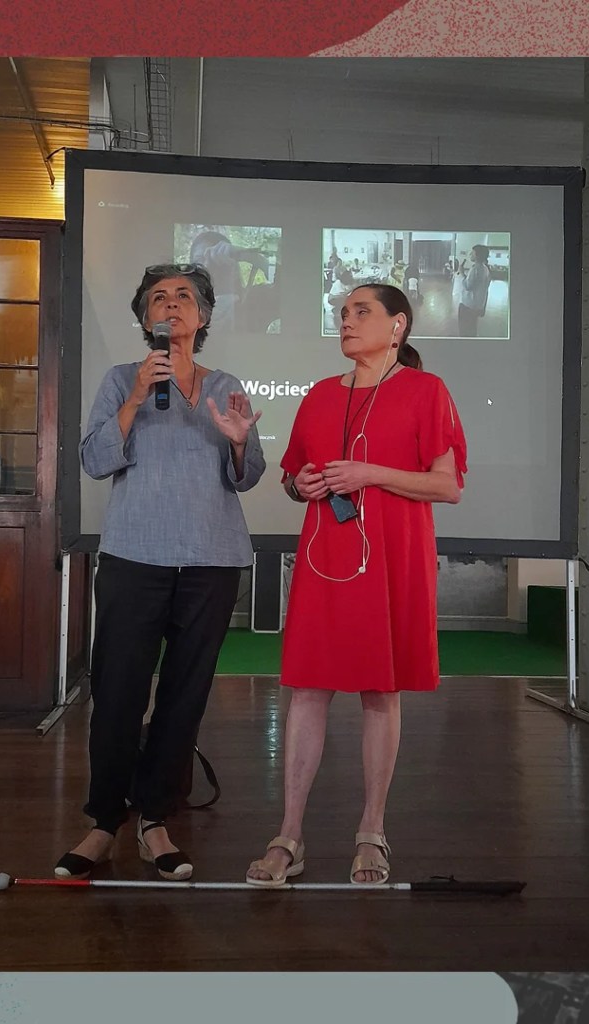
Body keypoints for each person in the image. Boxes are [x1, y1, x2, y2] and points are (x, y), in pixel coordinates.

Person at [246, 283, 467, 887]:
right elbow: (291, 477)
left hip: (394, 559)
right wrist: (304, 486)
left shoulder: (428, 392)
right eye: (341, 312)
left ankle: (372, 830)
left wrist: (371, 473)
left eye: (360, 311)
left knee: (380, 691)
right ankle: (288, 834)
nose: (345, 320)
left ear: (398, 326)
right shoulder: (319, 396)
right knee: (307, 689)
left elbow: (446, 485)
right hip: (326, 561)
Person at [56, 263, 265, 882]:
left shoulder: (225, 383)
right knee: (118, 690)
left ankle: (155, 821)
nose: (170, 305)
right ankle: (102, 822)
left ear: (201, 318)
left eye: (184, 298)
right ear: (145, 318)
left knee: (183, 698)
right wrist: (137, 398)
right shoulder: (123, 378)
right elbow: (94, 460)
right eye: (158, 298)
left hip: (211, 561)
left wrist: (234, 441)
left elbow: (247, 474)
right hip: (133, 557)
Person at [457, 245, 491, 337]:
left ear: (477, 255)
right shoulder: (485, 269)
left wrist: (462, 273)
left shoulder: (475, 269)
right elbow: (485, 290)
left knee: (465, 331)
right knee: (472, 329)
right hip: (477, 305)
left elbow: (468, 286)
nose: (470, 254)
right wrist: (483, 306)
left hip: (468, 306)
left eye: (472, 252)